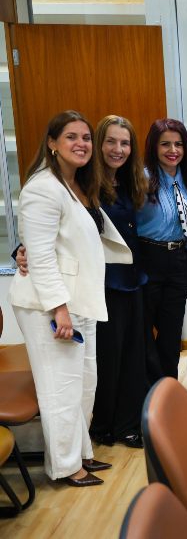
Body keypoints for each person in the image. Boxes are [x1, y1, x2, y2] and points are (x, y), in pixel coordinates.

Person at [9, 111, 131, 486]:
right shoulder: (42, 188)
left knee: (84, 383)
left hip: (81, 300)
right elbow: (41, 255)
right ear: (52, 143)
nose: (81, 144)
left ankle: (81, 453)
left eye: (85, 137)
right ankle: (65, 466)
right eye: (71, 137)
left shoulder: (77, 184)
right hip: (51, 306)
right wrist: (58, 309)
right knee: (60, 388)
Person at [87, 116, 149, 449]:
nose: (118, 149)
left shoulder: (129, 183)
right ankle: (104, 426)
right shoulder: (85, 186)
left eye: (125, 143)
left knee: (132, 355)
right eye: (111, 141)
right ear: (98, 144)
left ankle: (128, 424)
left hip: (133, 279)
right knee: (108, 356)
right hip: (103, 284)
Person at [136, 118, 187, 383]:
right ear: (154, 147)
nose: (173, 150)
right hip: (147, 257)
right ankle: (149, 387)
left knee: (172, 331)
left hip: (178, 259)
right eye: (165, 144)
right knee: (142, 330)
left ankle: (169, 387)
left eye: (178, 144)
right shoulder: (141, 178)